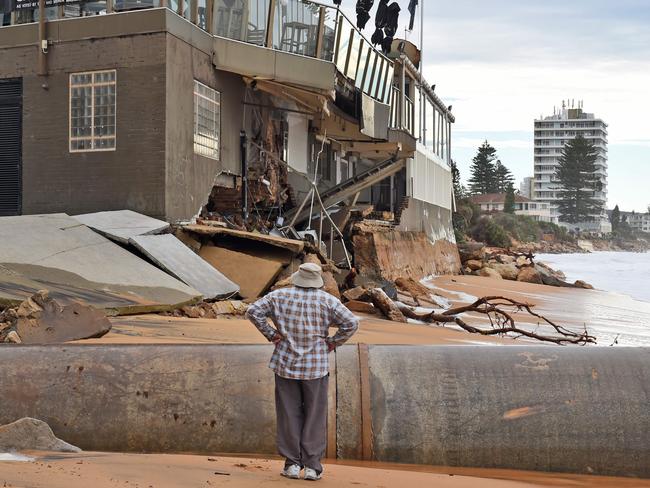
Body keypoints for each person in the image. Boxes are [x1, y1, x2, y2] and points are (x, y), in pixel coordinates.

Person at [246, 262, 359, 481]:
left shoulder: (280, 296)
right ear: (318, 281)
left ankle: (291, 464)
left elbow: (253, 311)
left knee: (289, 414)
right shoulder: (327, 301)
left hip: (285, 364)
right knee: (314, 416)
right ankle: (312, 466)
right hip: (315, 367)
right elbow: (351, 324)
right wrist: (334, 342)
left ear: (298, 277)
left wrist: (271, 333)